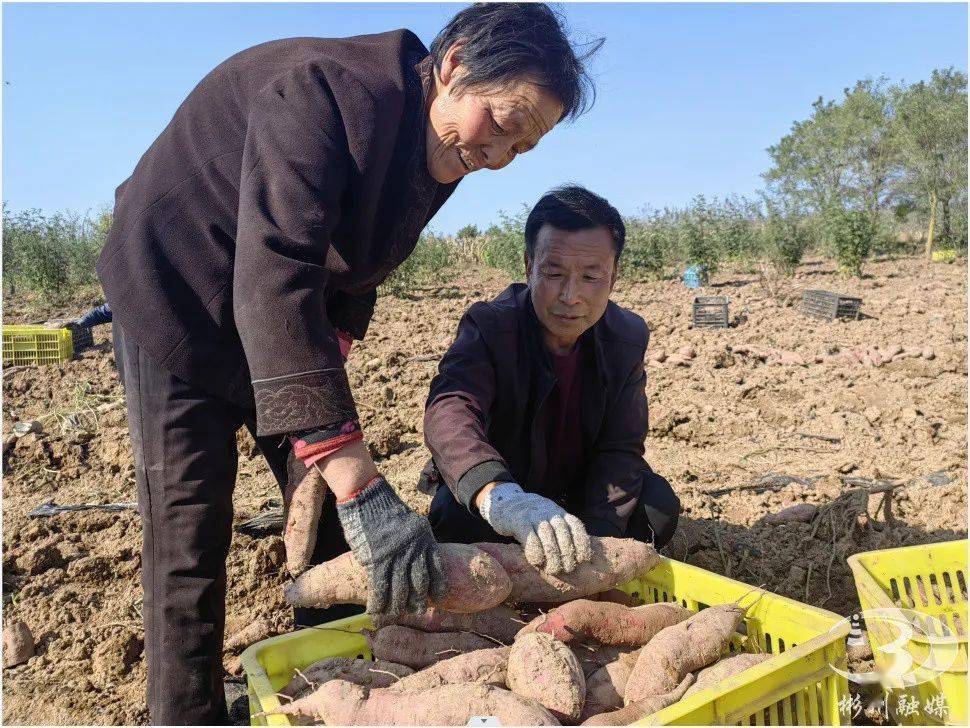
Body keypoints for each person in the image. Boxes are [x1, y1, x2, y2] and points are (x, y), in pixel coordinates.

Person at [95, 5, 601, 723]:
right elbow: (278, 274)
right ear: (453, 66)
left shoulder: (443, 147)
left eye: (524, 146)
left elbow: (354, 272)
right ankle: (186, 713)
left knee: (335, 516)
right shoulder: (323, 93)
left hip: (274, 315)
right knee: (191, 525)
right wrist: (352, 471)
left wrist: (320, 450)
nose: (499, 155)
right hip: (176, 293)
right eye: (503, 121)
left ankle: (324, 685)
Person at [422, 186, 680, 569]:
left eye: (591, 276)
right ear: (529, 266)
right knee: (458, 522)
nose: (571, 296)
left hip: (578, 488)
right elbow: (450, 408)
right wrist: (502, 496)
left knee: (656, 509)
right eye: (554, 273)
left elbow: (620, 448)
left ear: (614, 275)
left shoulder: (626, 337)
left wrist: (595, 543)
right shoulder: (492, 326)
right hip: (509, 489)